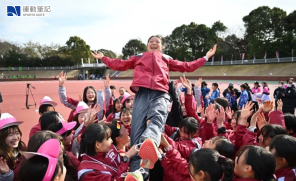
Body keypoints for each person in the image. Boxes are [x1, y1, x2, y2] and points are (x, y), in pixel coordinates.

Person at [92, 35, 217, 175]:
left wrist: (205, 58)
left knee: (157, 119)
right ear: (147, 46)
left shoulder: (166, 58)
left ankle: (149, 140)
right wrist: (103, 58)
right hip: (142, 93)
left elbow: (187, 66)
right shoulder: (138, 57)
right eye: (151, 41)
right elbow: (119, 64)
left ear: (161, 47)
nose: (154, 43)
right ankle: (138, 173)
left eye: (157, 42)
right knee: (136, 132)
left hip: (160, 92)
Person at [0, 113, 25, 181]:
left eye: (17, 133)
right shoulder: (1, 159)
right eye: (10, 135)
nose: (15, 138)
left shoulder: (22, 148)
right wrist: (6, 174)